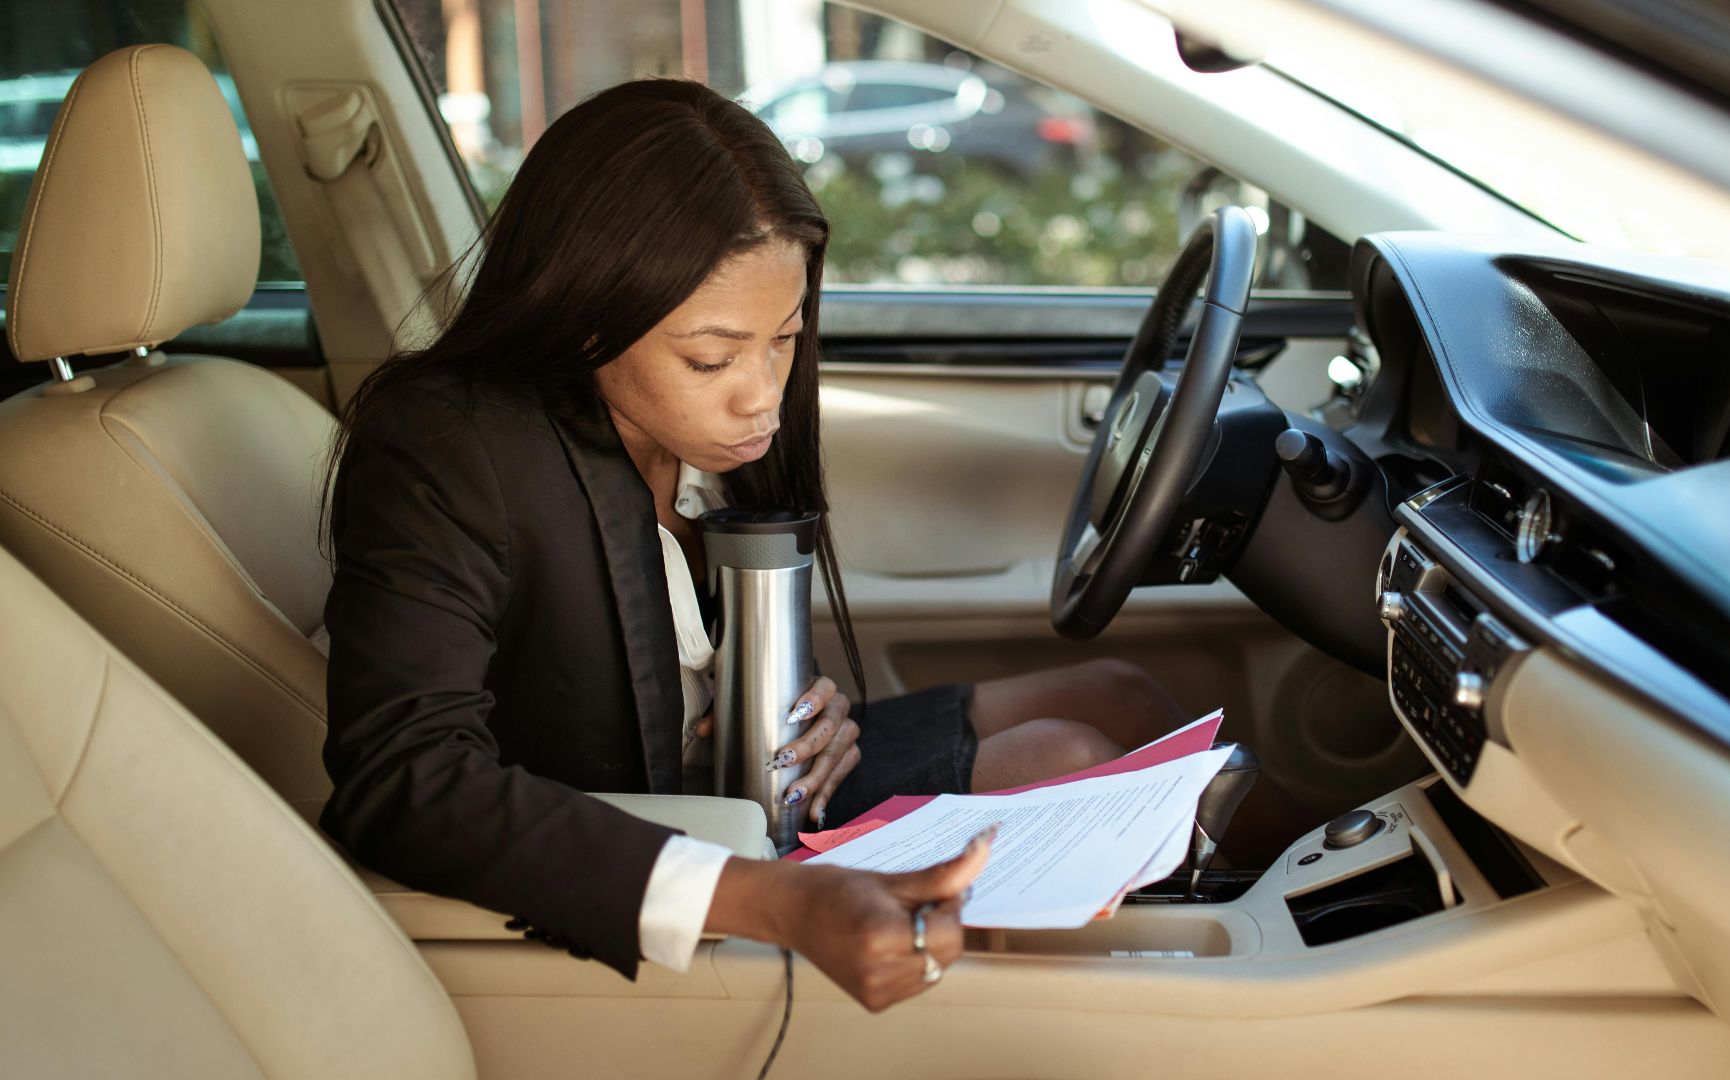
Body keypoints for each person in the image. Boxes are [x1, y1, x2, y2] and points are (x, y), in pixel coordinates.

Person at [320, 78, 1187, 1011]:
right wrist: (778, 899)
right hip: (664, 845)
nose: (763, 395)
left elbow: (698, 659)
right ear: (584, 315)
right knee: (1065, 753)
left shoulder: (701, 442)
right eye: (711, 358)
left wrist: (819, 714)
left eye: (786, 339)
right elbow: (403, 779)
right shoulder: (450, 446)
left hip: (759, 788)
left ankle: (1317, 904)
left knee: (1119, 694)